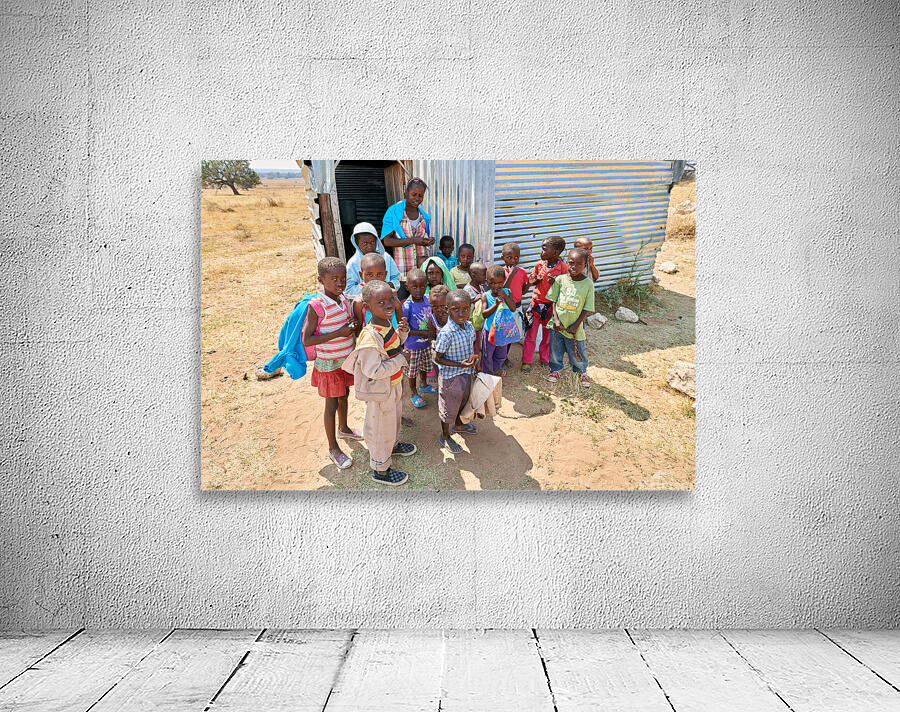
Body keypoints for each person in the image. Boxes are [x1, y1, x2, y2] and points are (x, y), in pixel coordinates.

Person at [341, 280, 417, 486]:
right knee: (380, 428)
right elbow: (373, 371)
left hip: (393, 384)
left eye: (390, 299)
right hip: (381, 391)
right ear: (367, 307)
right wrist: (401, 360)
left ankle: (392, 446)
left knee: (392, 422)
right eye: (380, 302)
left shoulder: (385, 323)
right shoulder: (370, 336)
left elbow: (392, 347)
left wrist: (402, 333)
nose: (388, 305)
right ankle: (380, 469)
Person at [301, 258, 362, 470]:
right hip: (329, 363)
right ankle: (333, 447)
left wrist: (351, 324)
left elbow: (344, 324)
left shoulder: (342, 298)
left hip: (344, 359)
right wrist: (339, 333)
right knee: (331, 404)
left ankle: (344, 428)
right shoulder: (317, 306)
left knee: (344, 395)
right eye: (334, 279)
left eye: (343, 278)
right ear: (321, 280)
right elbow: (307, 339)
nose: (340, 283)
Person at [433, 289, 479, 455]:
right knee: (448, 407)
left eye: (466, 309)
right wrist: (459, 365)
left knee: (463, 401)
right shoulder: (446, 333)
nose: (461, 313)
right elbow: (437, 358)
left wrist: (474, 363)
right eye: (456, 309)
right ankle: (445, 435)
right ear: (447, 309)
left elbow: (471, 346)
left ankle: (458, 425)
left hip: (466, 374)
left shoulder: (469, 327)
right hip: (450, 379)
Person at [547, 248, 595, 387]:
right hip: (557, 325)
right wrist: (556, 320)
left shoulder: (588, 284)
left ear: (585, 265)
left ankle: (581, 372)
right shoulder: (560, 280)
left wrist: (576, 325)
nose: (574, 266)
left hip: (574, 327)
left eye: (579, 264)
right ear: (566, 262)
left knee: (577, 350)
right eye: (571, 263)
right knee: (555, 349)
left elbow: (587, 307)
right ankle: (555, 370)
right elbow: (553, 300)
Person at [381, 178, 435, 299]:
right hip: (403, 270)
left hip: (421, 271)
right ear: (406, 192)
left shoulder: (424, 216)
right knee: (403, 303)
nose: (417, 198)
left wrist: (428, 241)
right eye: (414, 194)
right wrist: (414, 240)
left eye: (420, 195)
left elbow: (423, 237)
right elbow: (387, 241)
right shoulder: (394, 212)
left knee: (422, 303)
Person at [521, 235, 567, 373]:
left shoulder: (562, 268)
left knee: (547, 336)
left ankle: (544, 358)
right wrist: (534, 280)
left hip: (551, 307)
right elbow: (532, 280)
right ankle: (526, 361)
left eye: (544, 249)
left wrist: (555, 283)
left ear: (556, 252)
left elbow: (565, 288)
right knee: (531, 335)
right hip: (536, 304)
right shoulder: (539, 264)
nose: (541, 252)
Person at [401, 269, 436, 408]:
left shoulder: (428, 300)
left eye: (422, 287)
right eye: (414, 287)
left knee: (424, 366)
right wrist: (421, 333)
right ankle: (413, 393)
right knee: (412, 371)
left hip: (426, 344)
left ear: (426, 286)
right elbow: (405, 329)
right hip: (412, 346)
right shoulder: (407, 306)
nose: (418, 290)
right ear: (407, 287)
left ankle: (424, 384)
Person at [345, 222, 401, 297]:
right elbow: (348, 290)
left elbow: (396, 278)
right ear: (357, 243)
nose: (369, 246)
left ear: (377, 241)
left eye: (372, 242)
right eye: (365, 243)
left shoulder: (386, 257)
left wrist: (389, 285)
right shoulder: (353, 263)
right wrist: (369, 289)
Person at [480, 265, 516, 377]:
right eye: (492, 283)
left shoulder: (507, 292)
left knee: (501, 355)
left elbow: (513, 308)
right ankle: (487, 375)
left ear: (504, 281)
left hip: (502, 331)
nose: (496, 286)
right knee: (487, 355)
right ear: (487, 282)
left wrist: (505, 297)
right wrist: (495, 304)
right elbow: (484, 314)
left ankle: (496, 370)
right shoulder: (485, 296)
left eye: (500, 283)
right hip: (489, 332)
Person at [350, 253, 404, 328]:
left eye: (379, 274)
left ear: (385, 274)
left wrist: (403, 330)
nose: (375, 279)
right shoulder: (359, 301)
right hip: (371, 335)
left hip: (394, 334)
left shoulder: (392, 293)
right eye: (370, 275)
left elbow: (400, 318)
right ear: (361, 275)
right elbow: (359, 329)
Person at [464, 263, 488, 371]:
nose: (486, 277)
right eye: (484, 274)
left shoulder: (481, 287)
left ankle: (477, 363)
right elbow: (464, 304)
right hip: (471, 324)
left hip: (479, 323)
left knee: (478, 344)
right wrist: (474, 300)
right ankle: (474, 365)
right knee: (473, 345)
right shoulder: (468, 290)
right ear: (474, 276)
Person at [500, 242, 529, 307]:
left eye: (516, 257)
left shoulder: (522, 272)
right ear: (503, 258)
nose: (513, 261)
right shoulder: (500, 272)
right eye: (509, 257)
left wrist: (529, 283)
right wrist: (511, 274)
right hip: (504, 307)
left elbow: (523, 292)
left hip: (518, 306)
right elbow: (502, 292)